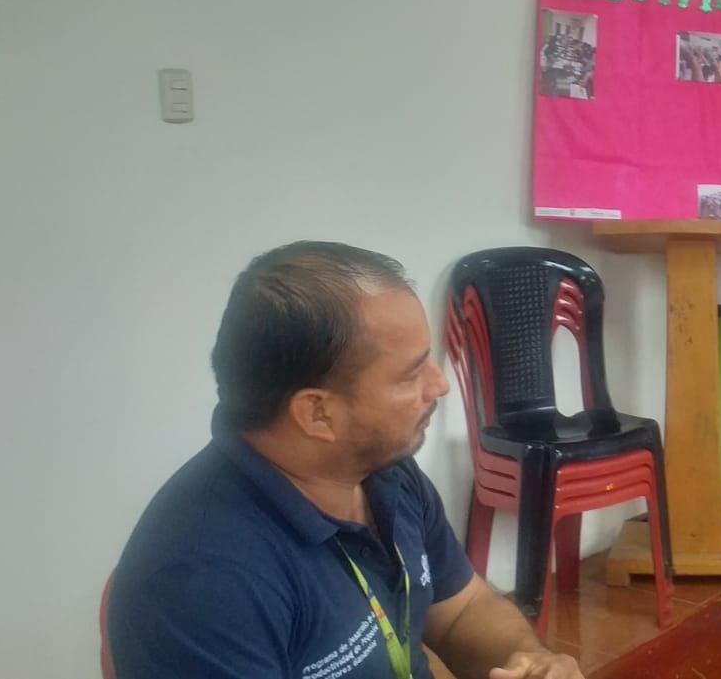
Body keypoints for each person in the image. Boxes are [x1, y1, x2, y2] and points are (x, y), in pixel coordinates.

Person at [108, 242, 584, 679]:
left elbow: (462, 610)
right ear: (317, 413)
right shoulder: (203, 582)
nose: (439, 385)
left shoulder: (383, 470)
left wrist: (528, 661)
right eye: (411, 373)